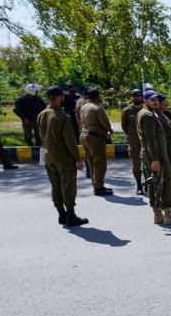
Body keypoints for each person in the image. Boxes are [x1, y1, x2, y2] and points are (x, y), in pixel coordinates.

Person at [37, 86, 88, 227]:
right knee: (68, 186)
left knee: (55, 186)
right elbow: (70, 141)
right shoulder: (63, 117)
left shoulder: (42, 114)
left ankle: (61, 214)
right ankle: (70, 215)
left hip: (49, 157)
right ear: (59, 97)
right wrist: (78, 159)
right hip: (64, 158)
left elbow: (42, 137)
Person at [137, 91, 171, 225]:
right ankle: (168, 214)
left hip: (152, 153)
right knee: (167, 180)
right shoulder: (148, 116)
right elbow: (151, 139)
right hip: (157, 154)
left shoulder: (146, 113)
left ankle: (158, 213)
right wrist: (155, 159)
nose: (156, 102)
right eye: (152, 99)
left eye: (157, 99)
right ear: (145, 101)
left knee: (155, 182)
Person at [78, 87, 114, 196]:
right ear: (98, 96)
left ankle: (96, 184)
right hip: (94, 137)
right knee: (99, 162)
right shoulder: (97, 108)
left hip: (84, 135)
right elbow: (105, 123)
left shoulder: (84, 106)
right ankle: (99, 187)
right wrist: (110, 131)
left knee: (91, 161)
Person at [120, 89, 146, 194]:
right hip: (134, 141)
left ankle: (147, 184)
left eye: (138, 96)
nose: (136, 98)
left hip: (145, 140)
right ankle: (139, 185)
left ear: (141, 97)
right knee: (136, 164)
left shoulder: (146, 109)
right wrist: (131, 135)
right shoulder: (126, 111)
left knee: (147, 163)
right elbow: (124, 126)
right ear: (131, 97)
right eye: (134, 96)